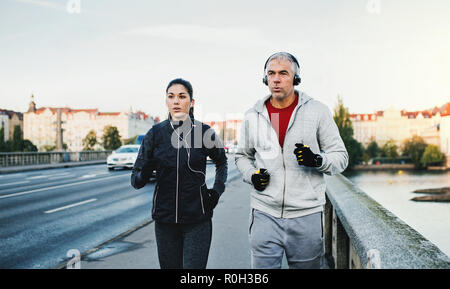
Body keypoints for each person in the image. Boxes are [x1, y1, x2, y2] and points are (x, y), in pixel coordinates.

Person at [235, 52, 348, 269]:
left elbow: (341, 157)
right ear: (265, 78)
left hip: (306, 216)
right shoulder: (253, 115)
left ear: (295, 78)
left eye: (283, 73)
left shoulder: (317, 111)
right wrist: (252, 175)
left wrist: (317, 160)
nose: (276, 79)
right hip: (264, 213)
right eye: (271, 74)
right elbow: (242, 156)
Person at [131, 78, 228, 269]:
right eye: (171, 96)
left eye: (182, 96)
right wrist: (147, 168)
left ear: (191, 102)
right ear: (166, 101)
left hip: (197, 220)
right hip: (165, 221)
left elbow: (222, 162)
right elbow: (136, 180)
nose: (176, 101)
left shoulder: (203, 132)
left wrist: (216, 191)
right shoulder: (155, 134)